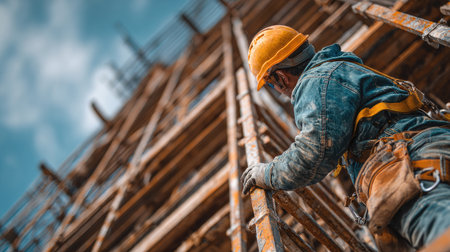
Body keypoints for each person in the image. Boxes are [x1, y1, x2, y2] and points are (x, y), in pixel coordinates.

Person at [241, 25, 450, 250]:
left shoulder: (314, 84)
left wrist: (267, 173)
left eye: (271, 84)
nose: (278, 90)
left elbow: (311, 155)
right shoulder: (339, 67)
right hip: (427, 142)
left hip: (407, 160)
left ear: (280, 77)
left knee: (435, 227)